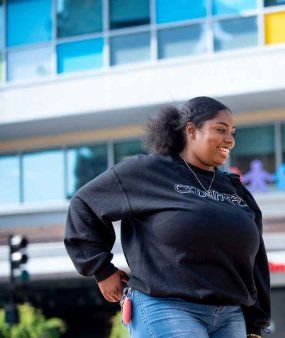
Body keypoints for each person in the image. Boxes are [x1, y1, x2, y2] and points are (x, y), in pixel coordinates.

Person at [64, 96, 270, 338]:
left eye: (232, 132)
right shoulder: (147, 171)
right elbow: (84, 204)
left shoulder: (234, 189)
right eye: (220, 130)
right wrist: (101, 268)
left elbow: (255, 260)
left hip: (230, 314)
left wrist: (255, 323)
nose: (230, 140)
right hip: (167, 306)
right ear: (191, 130)